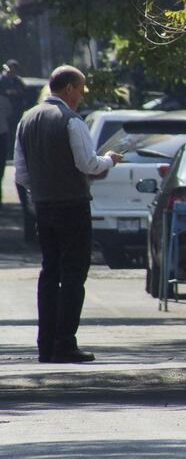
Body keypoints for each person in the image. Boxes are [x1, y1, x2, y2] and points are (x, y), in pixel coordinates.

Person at [13, 65, 123, 363]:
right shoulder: (71, 121)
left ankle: (45, 344)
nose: (82, 97)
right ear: (69, 88)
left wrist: (44, 187)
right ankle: (65, 342)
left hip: (44, 207)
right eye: (81, 90)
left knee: (50, 273)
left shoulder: (27, 119)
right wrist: (110, 160)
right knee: (73, 275)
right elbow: (88, 164)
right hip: (72, 206)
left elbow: (21, 174)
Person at [0, 59, 25, 200]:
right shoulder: (2, 80)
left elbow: (24, 94)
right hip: (5, 121)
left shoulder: (18, 81)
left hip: (14, 117)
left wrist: (16, 93)